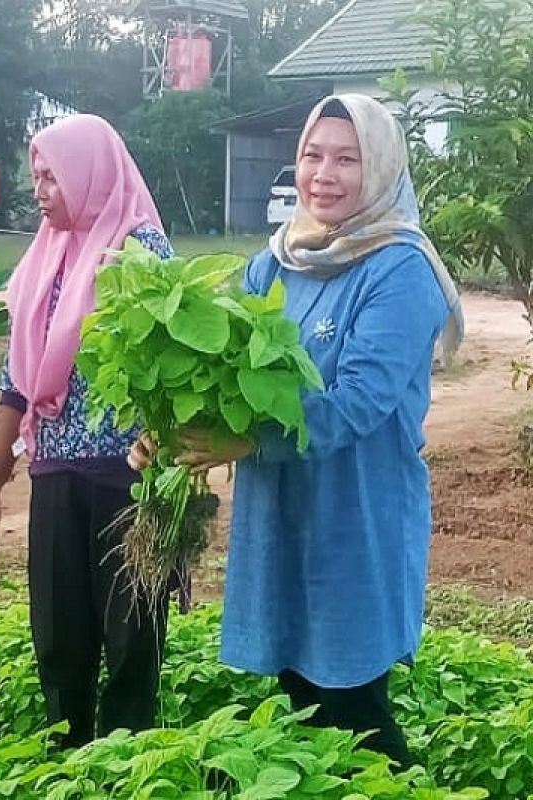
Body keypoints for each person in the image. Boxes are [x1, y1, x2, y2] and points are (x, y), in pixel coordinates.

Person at [129, 94, 465, 767]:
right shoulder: (276, 260)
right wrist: (168, 430)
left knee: (354, 707)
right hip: (283, 513)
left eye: (347, 158)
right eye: (313, 154)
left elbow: (359, 402)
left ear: (381, 170)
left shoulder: (399, 268)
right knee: (300, 694)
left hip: (355, 515)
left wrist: (250, 443)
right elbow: (225, 376)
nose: (324, 173)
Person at [0, 114, 175, 748]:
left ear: (89, 174)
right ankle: (68, 764)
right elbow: (17, 382)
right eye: (36, 177)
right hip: (54, 475)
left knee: (131, 639)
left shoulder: (139, 250)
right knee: (59, 638)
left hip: (128, 482)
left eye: (52, 177)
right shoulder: (44, 258)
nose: (40, 191)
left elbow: (174, 371)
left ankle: (128, 768)